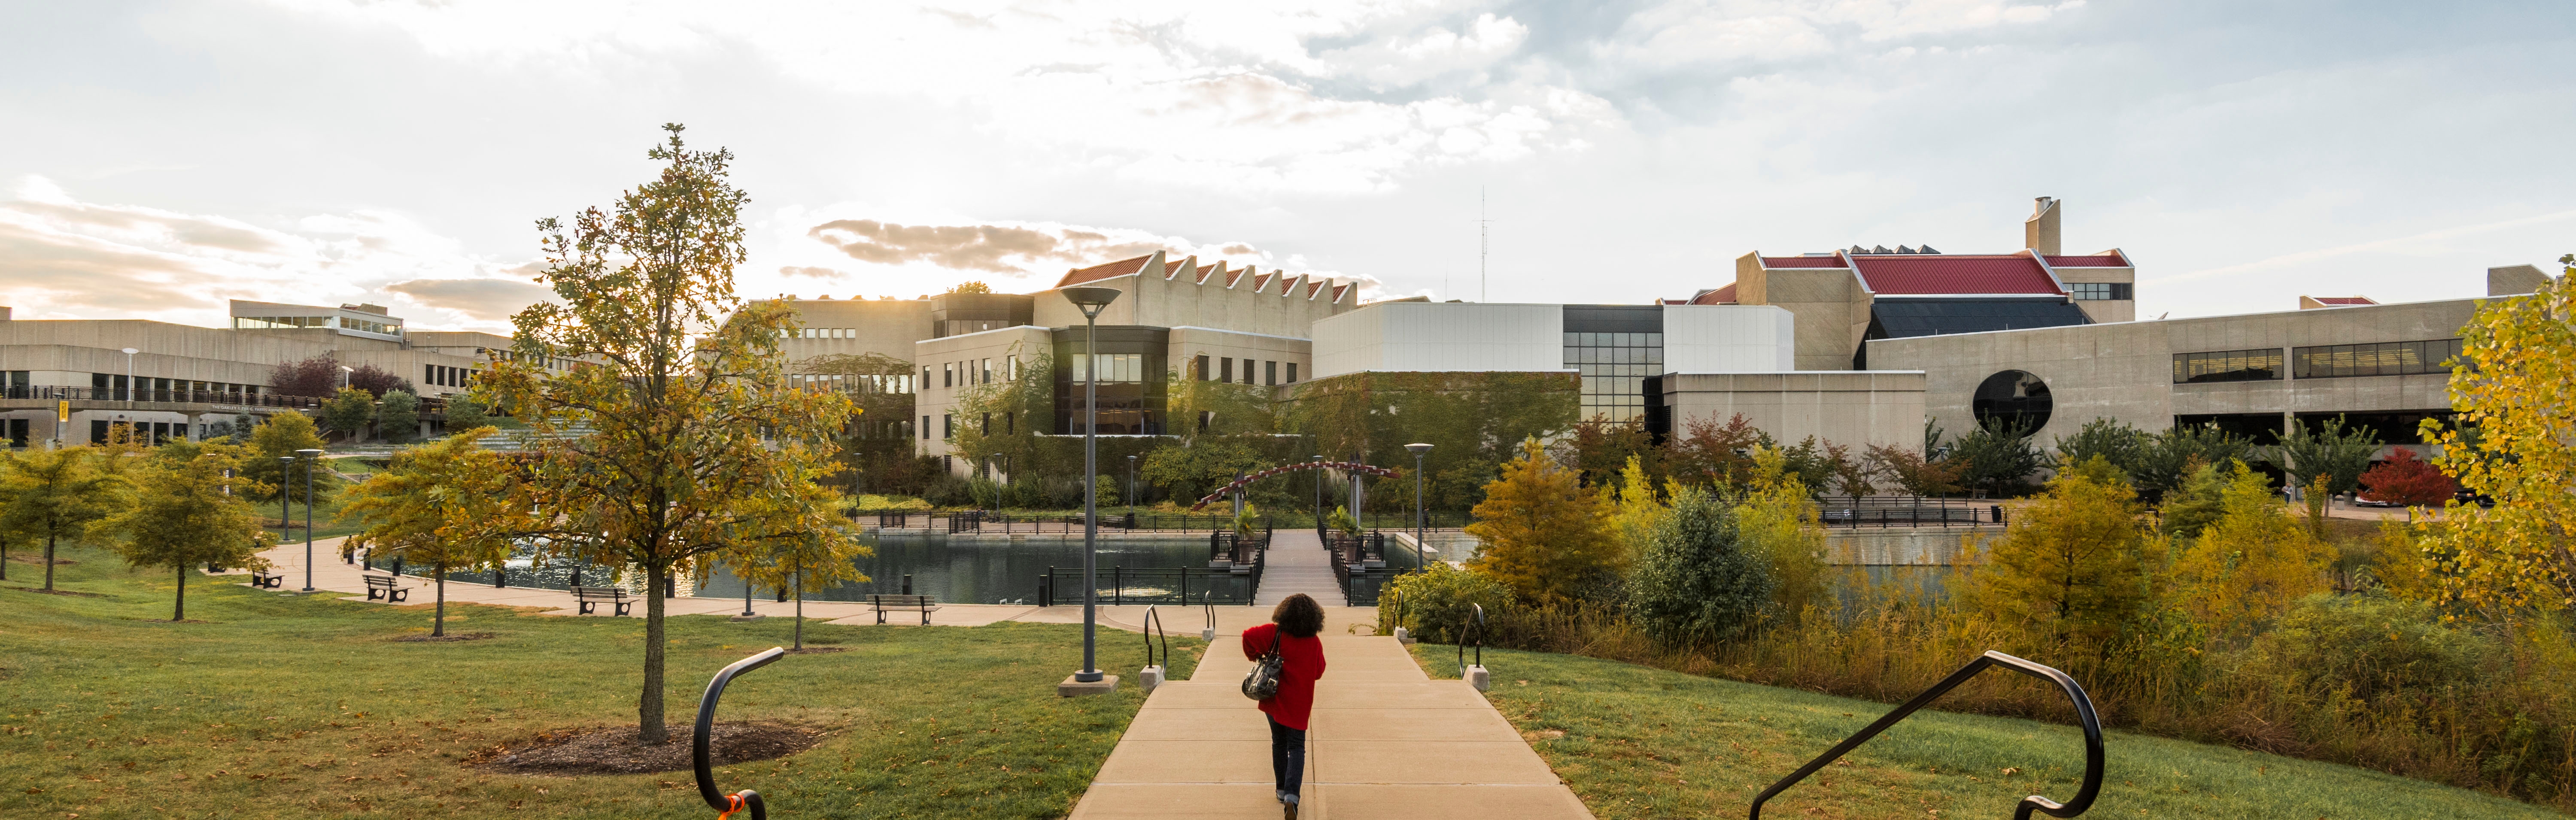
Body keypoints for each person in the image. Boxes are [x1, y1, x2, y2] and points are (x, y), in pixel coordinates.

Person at [1244, 592, 1327, 818]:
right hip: (1300, 704)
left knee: (1278, 742)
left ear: (1284, 613)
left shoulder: (1275, 633)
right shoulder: (1314, 643)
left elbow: (1247, 637)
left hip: (1274, 698)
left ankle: (1281, 790)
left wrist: (1257, 656)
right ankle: (1292, 797)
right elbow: (1319, 672)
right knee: (1297, 747)